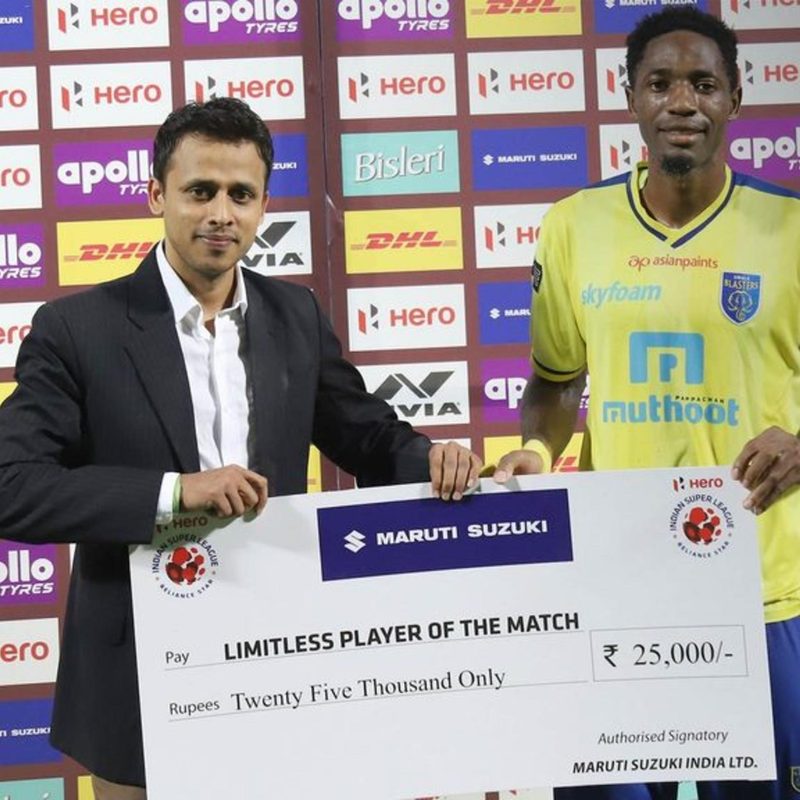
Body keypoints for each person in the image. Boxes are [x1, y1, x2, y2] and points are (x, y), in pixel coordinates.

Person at [0, 97, 482, 799]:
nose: (221, 213)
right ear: (157, 195)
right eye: (201, 191)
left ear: (262, 206)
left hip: (277, 648)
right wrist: (174, 494)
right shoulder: (77, 328)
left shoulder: (295, 314)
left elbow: (365, 435)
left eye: (241, 194)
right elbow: (12, 485)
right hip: (135, 667)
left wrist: (438, 461)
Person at [493, 7, 800, 800]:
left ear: (736, 95)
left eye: (703, 83)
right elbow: (555, 380)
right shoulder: (573, 226)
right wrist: (539, 449)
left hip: (766, 586)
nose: (682, 102)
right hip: (621, 584)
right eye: (660, 83)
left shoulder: (792, 228)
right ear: (630, 97)